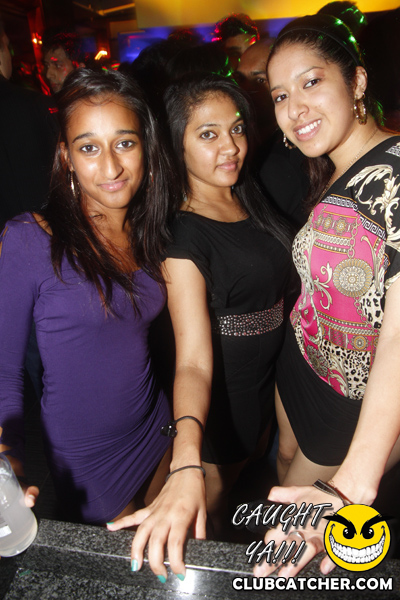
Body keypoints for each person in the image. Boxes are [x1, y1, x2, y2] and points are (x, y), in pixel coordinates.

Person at [0, 68, 206, 580]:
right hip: (87, 459)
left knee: (171, 568)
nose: (111, 166)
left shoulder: (150, 230)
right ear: (66, 156)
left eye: (125, 143)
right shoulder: (30, 239)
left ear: (147, 147)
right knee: (130, 576)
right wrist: (9, 464)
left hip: (157, 428)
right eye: (89, 148)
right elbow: (3, 372)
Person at [251, 14, 400, 578]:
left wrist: (353, 483)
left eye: (311, 82)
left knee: (285, 551)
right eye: (280, 95)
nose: (295, 108)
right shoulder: (335, 168)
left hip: (350, 404)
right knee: (282, 465)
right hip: (302, 365)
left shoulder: (395, 175)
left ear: (356, 82)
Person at [162, 73, 293, 535]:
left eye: (236, 128)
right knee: (211, 509)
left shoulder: (246, 196)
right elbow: (192, 361)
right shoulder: (182, 236)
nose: (231, 146)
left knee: (243, 480)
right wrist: (185, 451)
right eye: (208, 134)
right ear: (176, 145)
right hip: (225, 394)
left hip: (264, 380)